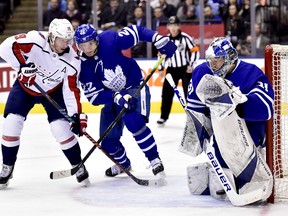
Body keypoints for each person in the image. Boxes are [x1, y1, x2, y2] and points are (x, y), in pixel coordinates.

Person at [74, 23, 177, 178]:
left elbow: (138, 31)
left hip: (134, 85)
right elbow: (94, 97)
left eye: (90, 43)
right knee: (107, 143)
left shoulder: (109, 39)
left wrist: (157, 38)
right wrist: (115, 97)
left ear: (96, 39)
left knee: (133, 121)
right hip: (113, 97)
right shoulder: (83, 66)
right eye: (82, 45)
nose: (87, 48)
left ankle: (154, 160)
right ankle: (123, 164)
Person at [0, 18, 90, 189]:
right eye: (63, 39)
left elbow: (71, 89)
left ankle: (77, 164)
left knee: (61, 129)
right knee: (11, 123)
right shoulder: (36, 40)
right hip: (26, 87)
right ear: (52, 36)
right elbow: (5, 47)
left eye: (69, 40)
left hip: (52, 91)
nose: (67, 44)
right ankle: (7, 167)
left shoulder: (73, 59)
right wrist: (22, 67)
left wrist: (76, 115)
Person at [181, 37, 273, 203]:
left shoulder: (251, 73)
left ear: (230, 56)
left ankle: (248, 171)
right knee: (222, 166)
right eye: (211, 60)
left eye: (218, 60)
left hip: (251, 129)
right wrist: (197, 133)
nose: (213, 65)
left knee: (245, 171)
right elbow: (196, 108)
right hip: (223, 132)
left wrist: (241, 101)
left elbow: (266, 109)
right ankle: (218, 173)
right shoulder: (202, 72)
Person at [157, 16, 200, 125]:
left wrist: (191, 64)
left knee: (188, 93)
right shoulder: (165, 40)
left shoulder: (185, 38)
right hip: (171, 69)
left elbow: (195, 50)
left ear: (179, 26)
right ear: (168, 27)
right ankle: (163, 116)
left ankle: (192, 115)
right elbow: (161, 55)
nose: (173, 28)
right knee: (166, 92)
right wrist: (161, 68)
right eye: (171, 25)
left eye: (175, 25)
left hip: (185, 69)